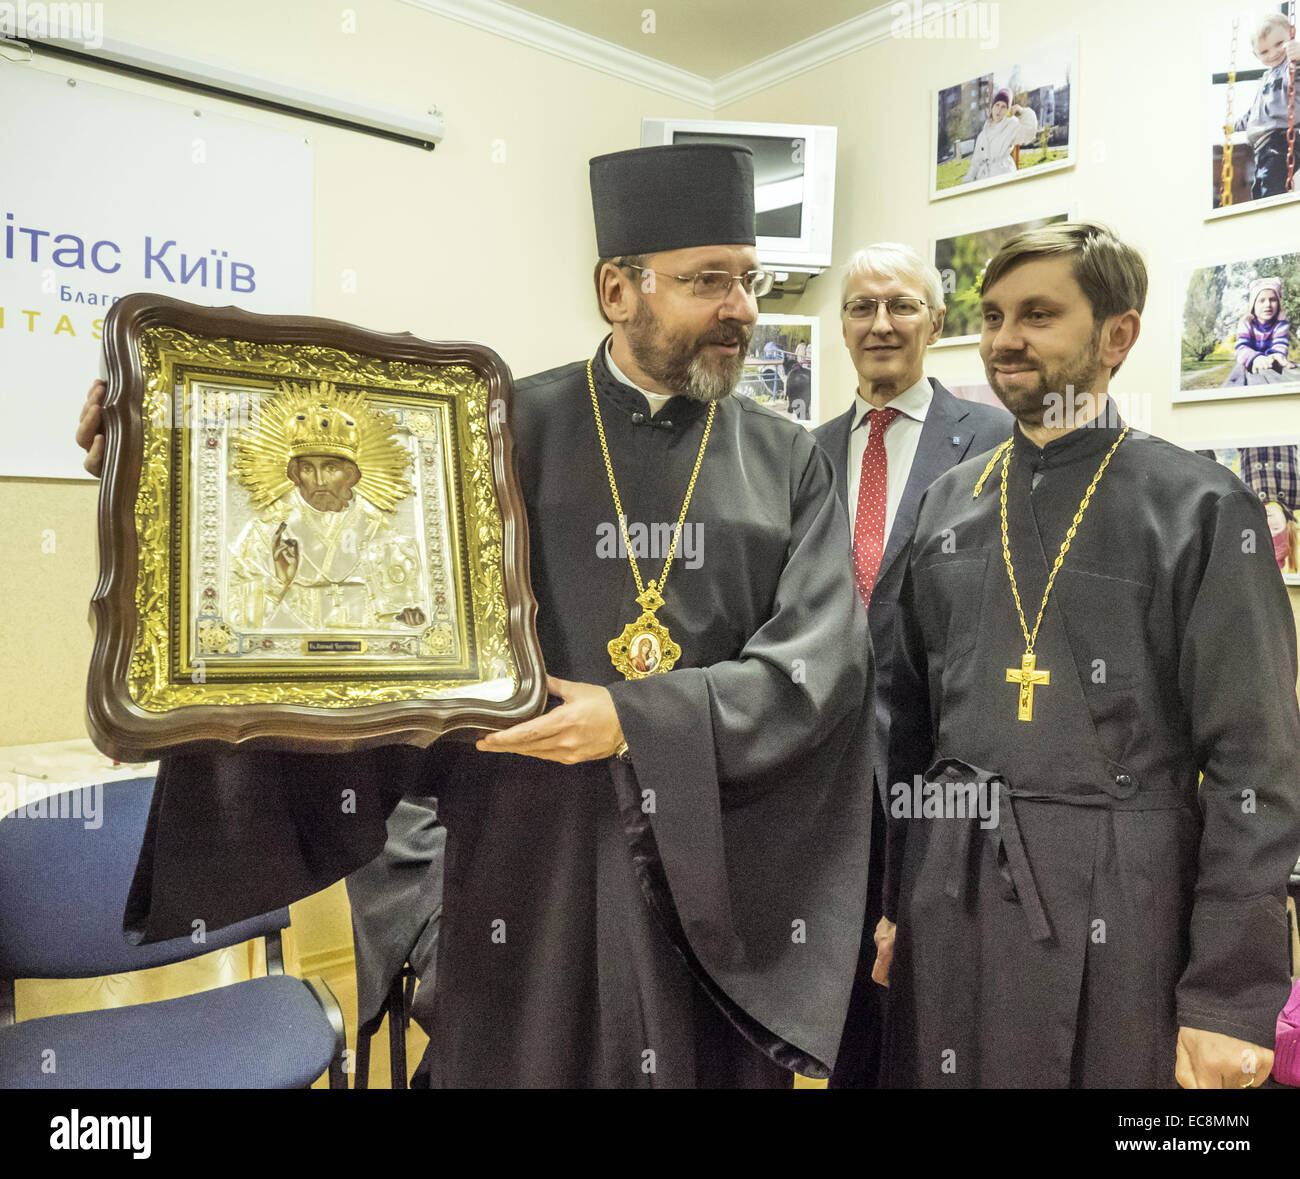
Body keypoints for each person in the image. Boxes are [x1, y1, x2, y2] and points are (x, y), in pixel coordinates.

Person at [76, 143, 875, 1088]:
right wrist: (154, 471)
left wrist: (632, 719)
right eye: (709, 280)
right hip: (523, 855)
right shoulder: (494, 431)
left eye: (749, 280)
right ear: (617, 289)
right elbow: (337, 574)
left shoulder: (790, 461)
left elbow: (822, 665)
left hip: (718, 865)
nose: (741, 308)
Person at [877, 221, 1300, 1088]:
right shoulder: (948, 504)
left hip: (1127, 898)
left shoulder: (1201, 506)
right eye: (992, 316)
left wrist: (1228, 996)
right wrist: (892, 904)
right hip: (951, 885)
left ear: (1118, 334)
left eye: (1038, 314)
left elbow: (1256, 764)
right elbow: (905, 719)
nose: (1004, 340)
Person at [812, 242, 1009, 1088]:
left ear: (935, 321)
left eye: (900, 306)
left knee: (929, 1010)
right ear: (842, 328)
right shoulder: (802, 454)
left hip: (941, 772)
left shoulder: (997, 440)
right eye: (861, 308)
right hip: (821, 781)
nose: (880, 323)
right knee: (838, 996)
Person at [226, 387, 429, 632]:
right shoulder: (267, 532)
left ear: (351, 475)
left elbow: (400, 609)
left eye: (331, 468)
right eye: (308, 469)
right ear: (295, 474)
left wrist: (406, 617)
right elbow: (235, 612)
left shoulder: (379, 530)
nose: (320, 480)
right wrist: (278, 582)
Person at [1231, 13, 1300, 202]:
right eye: (1264, 52)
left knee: (1271, 184)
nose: (1274, 53)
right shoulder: (1266, 79)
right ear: (1256, 55)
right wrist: (1235, 125)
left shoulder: (1290, 66)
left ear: (1291, 35)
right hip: (1262, 147)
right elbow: (1255, 113)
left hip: (1283, 137)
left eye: (1279, 44)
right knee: (1260, 187)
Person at [1226, 276, 1295, 387]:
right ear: (1253, 305)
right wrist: (1256, 358)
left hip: (1269, 365)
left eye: (1273, 299)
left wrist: (1277, 356)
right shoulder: (1246, 323)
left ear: (1278, 303)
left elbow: (1280, 344)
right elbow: (1240, 348)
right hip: (1250, 364)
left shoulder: (1281, 324)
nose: (1267, 304)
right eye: (1261, 300)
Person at [962, 86, 1039, 183]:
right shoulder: (983, 134)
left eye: (1003, 107)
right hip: (984, 178)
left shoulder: (1011, 126)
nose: (999, 110)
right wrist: (968, 181)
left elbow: (1029, 132)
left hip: (1003, 174)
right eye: (997, 105)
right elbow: (976, 162)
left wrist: (1022, 112)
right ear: (992, 107)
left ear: (1008, 110)